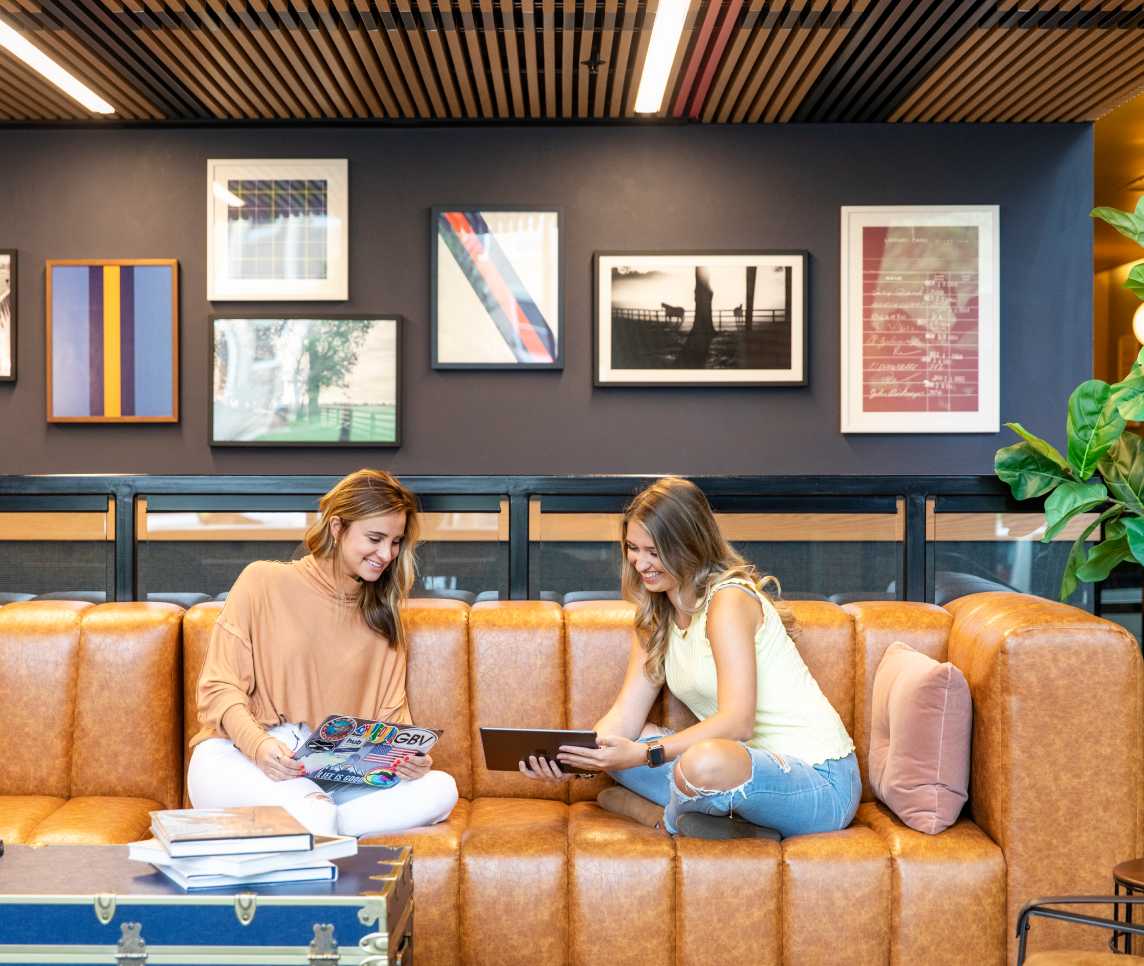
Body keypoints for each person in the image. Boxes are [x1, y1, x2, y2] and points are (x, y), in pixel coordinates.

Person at [521, 476, 859, 840]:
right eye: (633, 548)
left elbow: (737, 724)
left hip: (818, 781)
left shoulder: (728, 600)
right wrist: (574, 759)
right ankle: (731, 825)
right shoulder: (656, 617)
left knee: (699, 760)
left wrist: (641, 756)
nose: (640, 563)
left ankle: (664, 820)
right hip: (737, 769)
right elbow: (624, 717)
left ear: (689, 546)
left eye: (654, 552)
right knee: (634, 738)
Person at [187, 469, 458, 838]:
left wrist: (407, 760)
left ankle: (314, 827)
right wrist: (259, 745)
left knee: (441, 788)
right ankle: (318, 823)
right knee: (315, 813)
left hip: (327, 776)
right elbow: (219, 689)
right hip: (238, 758)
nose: (386, 554)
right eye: (375, 538)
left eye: (395, 542)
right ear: (336, 527)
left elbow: (392, 721)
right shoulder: (262, 582)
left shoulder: (384, 619)